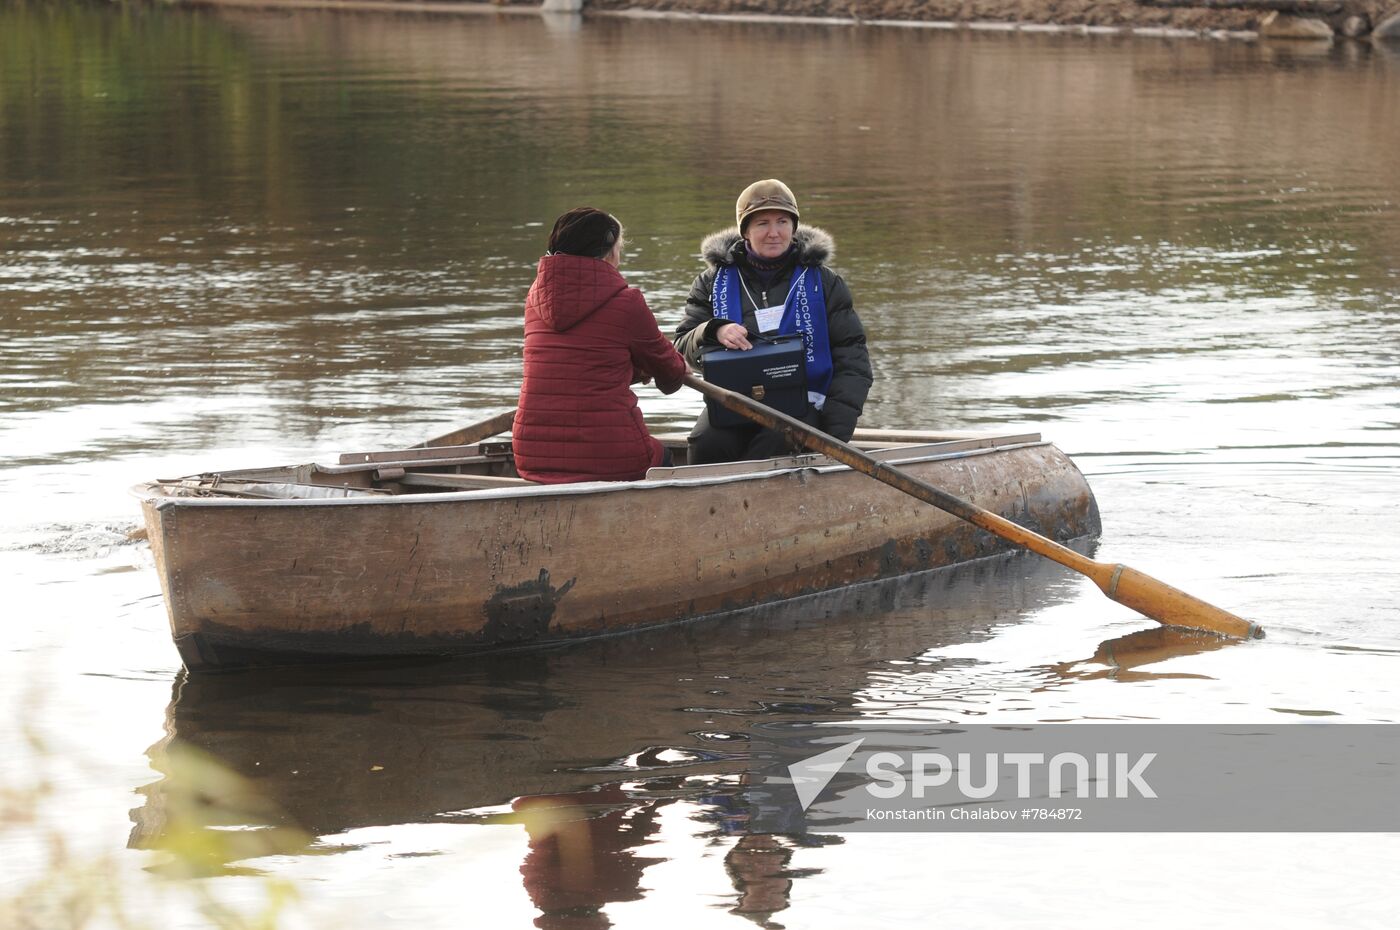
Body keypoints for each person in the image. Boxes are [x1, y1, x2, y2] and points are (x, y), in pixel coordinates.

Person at [673, 179, 872, 465]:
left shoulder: (824, 282)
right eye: (762, 223)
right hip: (733, 402)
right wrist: (712, 330)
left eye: (782, 222)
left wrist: (835, 431)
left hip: (803, 402)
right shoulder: (710, 282)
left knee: (778, 441)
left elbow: (852, 358)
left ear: (793, 227)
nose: (774, 233)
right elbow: (681, 349)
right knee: (706, 445)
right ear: (745, 231)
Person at [512, 207, 687, 483]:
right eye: (619, 248)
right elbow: (671, 375)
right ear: (609, 252)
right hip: (612, 455)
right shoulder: (627, 302)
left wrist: (630, 371)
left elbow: (583, 362)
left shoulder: (535, 300)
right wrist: (673, 366)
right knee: (663, 458)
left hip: (531, 455)